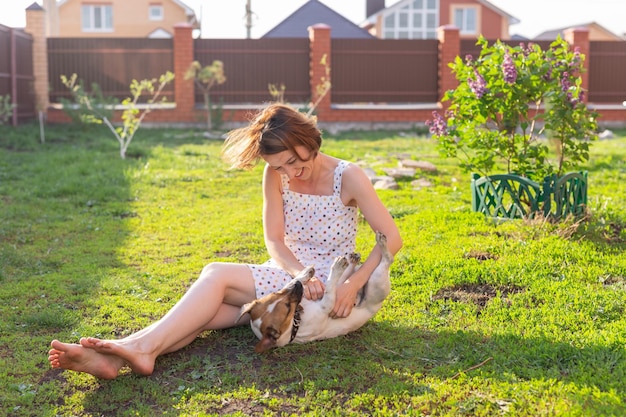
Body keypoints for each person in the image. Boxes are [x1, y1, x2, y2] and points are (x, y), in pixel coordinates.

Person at [48, 103, 403, 379]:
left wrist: (351, 284)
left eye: (294, 161)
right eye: (280, 167)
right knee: (203, 313)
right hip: (290, 273)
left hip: (332, 281)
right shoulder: (274, 176)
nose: (289, 174)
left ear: (310, 141)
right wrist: (299, 275)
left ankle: (130, 349)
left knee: (215, 276)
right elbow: (275, 241)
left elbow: (392, 238)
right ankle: (124, 355)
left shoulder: (348, 176)